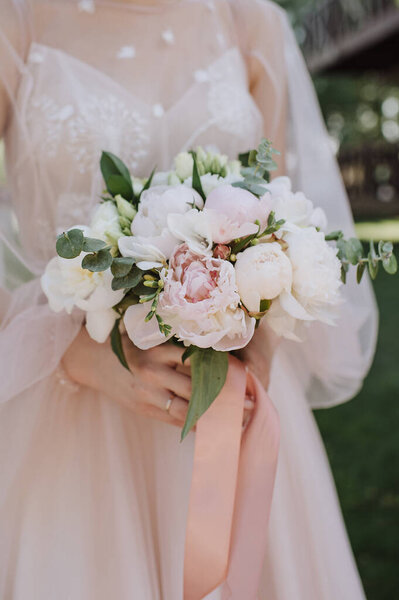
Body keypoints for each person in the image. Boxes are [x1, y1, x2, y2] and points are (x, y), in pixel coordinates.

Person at [0, 1, 377, 598]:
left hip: (230, 402)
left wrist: (263, 335)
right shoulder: (16, 21)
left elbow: (283, 209)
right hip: (74, 426)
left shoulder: (250, 22)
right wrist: (78, 354)